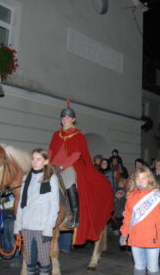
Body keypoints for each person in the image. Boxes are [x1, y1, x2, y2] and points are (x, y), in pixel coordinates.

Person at [48, 100, 113, 243]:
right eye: (63, 118)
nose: (65, 120)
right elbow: (51, 150)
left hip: (70, 166)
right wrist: (47, 163)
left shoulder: (78, 135)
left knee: (69, 181)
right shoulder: (56, 134)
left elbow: (76, 154)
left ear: (73, 119)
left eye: (68, 118)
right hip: (53, 165)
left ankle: (75, 215)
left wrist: (61, 167)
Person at [120, 167, 160, 275]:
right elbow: (127, 218)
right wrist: (124, 235)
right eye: (138, 178)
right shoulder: (131, 197)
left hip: (152, 238)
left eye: (143, 178)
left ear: (149, 179)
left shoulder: (157, 195)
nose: (140, 181)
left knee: (153, 268)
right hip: (135, 238)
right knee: (139, 267)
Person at [14, 149, 60, 275]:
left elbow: (54, 206)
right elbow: (21, 204)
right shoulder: (25, 178)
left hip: (41, 227)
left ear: (46, 161)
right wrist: (18, 226)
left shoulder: (51, 178)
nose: (34, 162)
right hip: (26, 226)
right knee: (30, 260)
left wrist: (48, 229)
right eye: (33, 158)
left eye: (38, 159)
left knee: (44, 260)